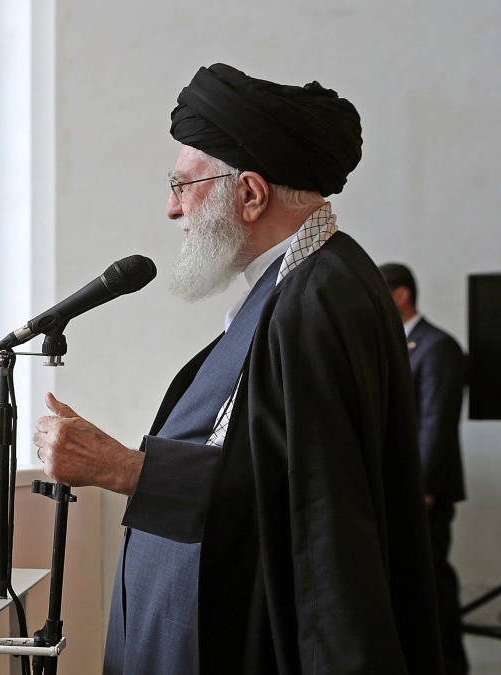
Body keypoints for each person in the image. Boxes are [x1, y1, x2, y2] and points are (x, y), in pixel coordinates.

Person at [33, 64, 443, 674]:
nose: (172, 210)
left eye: (182, 185)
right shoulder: (297, 282)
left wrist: (125, 470)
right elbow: (269, 467)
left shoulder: (317, 298)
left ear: (251, 195)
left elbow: (311, 509)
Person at [380, 262, 469, 675]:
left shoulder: (438, 346)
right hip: (398, 490)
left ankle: (449, 665)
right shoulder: (395, 343)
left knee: (433, 582)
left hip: (426, 491)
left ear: (400, 295)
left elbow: (437, 422)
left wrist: (422, 488)